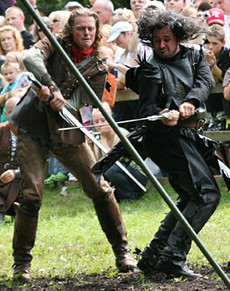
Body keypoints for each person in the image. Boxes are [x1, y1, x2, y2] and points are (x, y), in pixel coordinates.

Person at [10, 9, 137, 282]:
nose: (86, 33)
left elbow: (83, 104)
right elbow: (30, 57)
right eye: (80, 29)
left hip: (68, 130)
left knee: (99, 188)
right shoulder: (54, 42)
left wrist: (60, 101)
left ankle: (123, 252)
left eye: (90, 28)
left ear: (97, 29)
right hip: (34, 126)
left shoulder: (100, 60)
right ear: (71, 30)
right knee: (31, 196)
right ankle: (21, 265)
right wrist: (47, 85)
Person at [126, 10, 222, 279]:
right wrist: (164, 115)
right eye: (156, 40)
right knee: (205, 194)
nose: (161, 45)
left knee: (193, 195)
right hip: (163, 138)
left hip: (187, 135)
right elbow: (147, 108)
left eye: (166, 39)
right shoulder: (149, 68)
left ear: (178, 37)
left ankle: (155, 255)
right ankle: (172, 256)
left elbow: (205, 81)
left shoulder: (194, 55)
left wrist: (189, 103)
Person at [91, 106, 147, 202]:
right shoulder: (98, 137)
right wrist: (90, 145)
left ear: (111, 119)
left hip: (137, 176)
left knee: (109, 169)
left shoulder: (122, 133)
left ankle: (130, 196)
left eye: (103, 120)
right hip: (119, 174)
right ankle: (117, 196)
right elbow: (96, 163)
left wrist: (103, 139)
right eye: (96, 122)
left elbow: (111, 160)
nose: (100, 124)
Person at [0, 96, 21, 223]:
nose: (15, 114)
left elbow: (36, 165)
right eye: (11, 111)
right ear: (6, 113)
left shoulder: (31, 134)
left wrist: (16, 173)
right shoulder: (1, 130)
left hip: (21, 181)